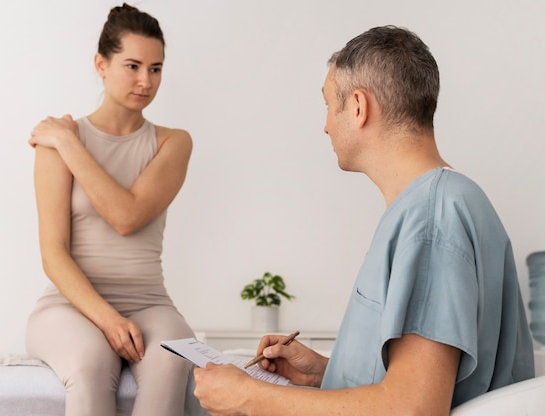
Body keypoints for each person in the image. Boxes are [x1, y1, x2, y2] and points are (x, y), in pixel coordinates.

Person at [193, 25, 535, 415]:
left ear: (358, 107)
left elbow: (413, 407)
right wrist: (324, 371)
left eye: (327, 105)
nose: (324, 125)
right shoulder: (447, 202)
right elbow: (420, 381)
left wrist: (249, 397)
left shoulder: (432, 220)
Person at [25, 4, 200, 416]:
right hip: (68, 307)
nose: (145, 81)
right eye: (133, 66)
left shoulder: (172, 143)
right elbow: (53, 253)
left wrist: (71, 145)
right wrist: (107, 320)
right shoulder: (53, 145)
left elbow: (127, 216)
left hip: (150, 302)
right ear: (101, 64)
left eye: (156, 69)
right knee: (90, 363)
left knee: (174, 359)